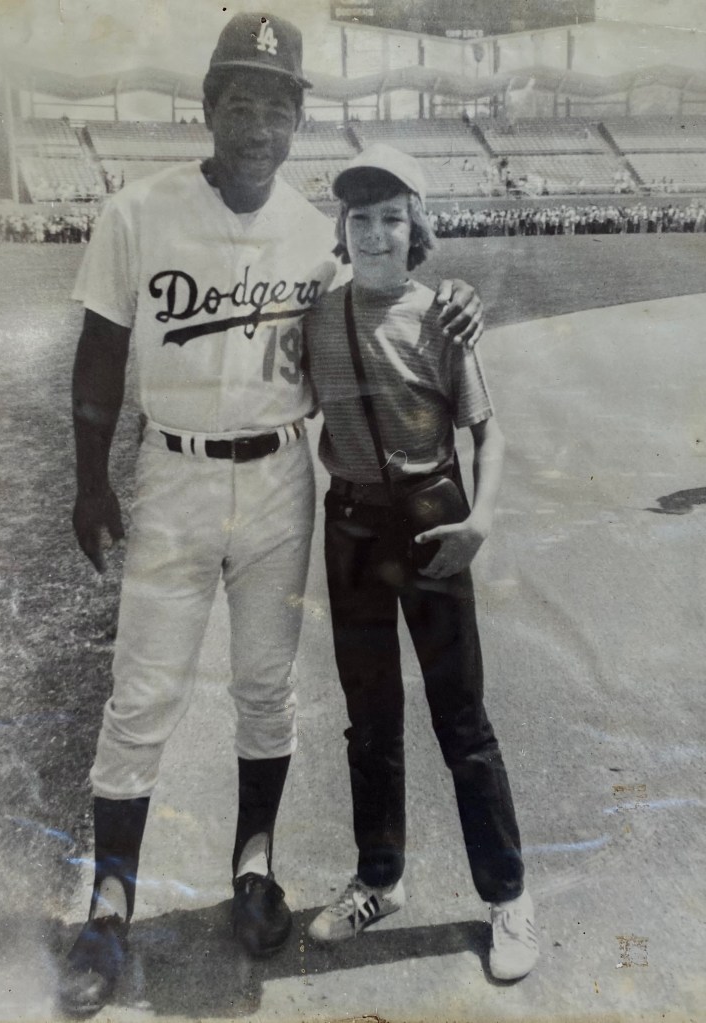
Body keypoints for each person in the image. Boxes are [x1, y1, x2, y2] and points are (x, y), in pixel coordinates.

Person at [60, 15, 485, 1015]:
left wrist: (458, 298)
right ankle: (110, 904)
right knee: (142, 692)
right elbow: (100, 354)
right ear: (209, 107)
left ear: (299, 120)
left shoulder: (315, 236)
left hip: (281, 475)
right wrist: (90, 479)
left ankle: (254, 867)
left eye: (278, 107)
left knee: (265, 684)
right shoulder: (137, 210)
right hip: (174, 472)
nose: (258, 125)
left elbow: (395, 292)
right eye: (240, 102)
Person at [303, 144, 538, 982]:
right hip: (352, 527)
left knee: (461, 718)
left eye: (392, 219)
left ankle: (508, 895)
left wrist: (482, 521)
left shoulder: (443, 317)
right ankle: (379, 877)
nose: (374, 235)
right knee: (368, 717)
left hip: (433, 521)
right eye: (360, 219)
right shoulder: (316, 316)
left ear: (417, 230)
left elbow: (488, 434)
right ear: (343, 228)